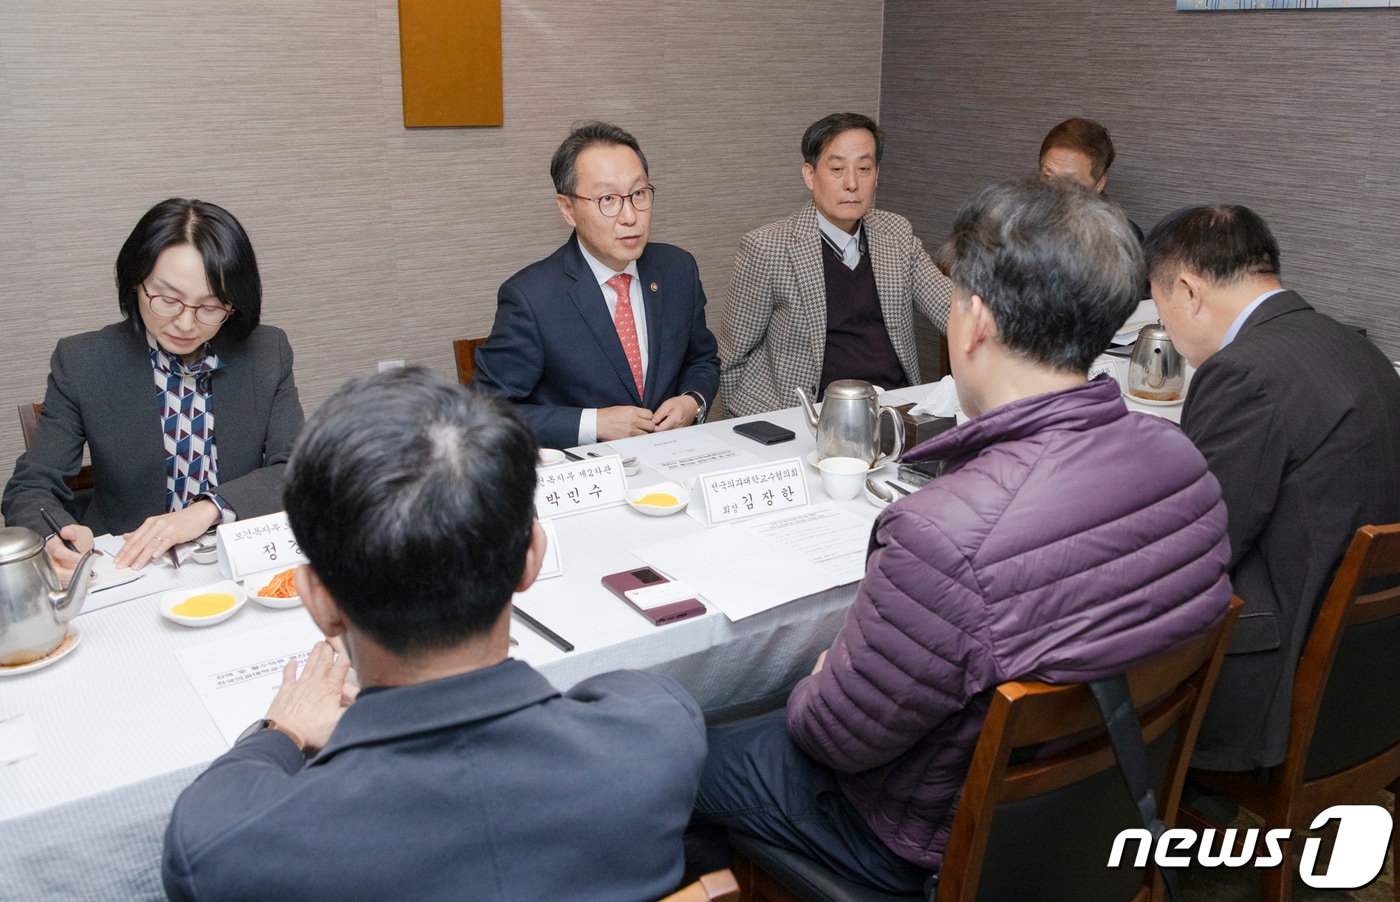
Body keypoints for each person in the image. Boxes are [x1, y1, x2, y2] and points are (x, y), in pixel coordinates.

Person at [688, 179, 1233, 893]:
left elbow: (837, 737)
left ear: (973, 319)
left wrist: (818, 681)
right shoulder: (1185, 463)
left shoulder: (943, 532)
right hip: (1100, 809)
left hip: (927, 836)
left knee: (676, 762)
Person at [162, 367, 708, 901]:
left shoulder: (228, 847)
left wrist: (281, 731)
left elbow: (212, 816)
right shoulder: (657, 733)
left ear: (318, 601)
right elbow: (629, 696)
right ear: (530, 560)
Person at [1144, 204, 1400, 772]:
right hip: (1370, 681)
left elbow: (1198, 546)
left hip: (1278, 687)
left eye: (1161, 312)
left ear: (1186, 291)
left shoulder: (1242, 372)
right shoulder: (1360, 349)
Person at [2, 198, 303, 579]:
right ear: (136, 282)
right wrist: (53, 538)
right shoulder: (83, 361)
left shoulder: (266, 351)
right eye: (167, 299)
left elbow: (295, 470)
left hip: (240, 562)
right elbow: (30, 487)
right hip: (127, 567)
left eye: (210, 307)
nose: (186, 323)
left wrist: (206, 509)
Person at [473, 121, 720, 450]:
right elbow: (486, 412)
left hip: (669, 462)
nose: (629, 216)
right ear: (567, 208)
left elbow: (702, 359)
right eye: (607, 199)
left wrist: (692, 401)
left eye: (639, 194)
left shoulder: (678, 269)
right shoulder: (532, 298)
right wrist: (593, 423)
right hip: (585, 475)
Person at [718, 112, 953, 419]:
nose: (852, 183)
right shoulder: (767, 248)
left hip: (895, 411)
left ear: (877, 175)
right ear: (810, 174)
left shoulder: (896, 234)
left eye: (864, 168)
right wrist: (769, 425)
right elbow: (732, 359)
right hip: (809, 419)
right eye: (838, 168)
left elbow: (953, 310)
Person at [1038, 117, 1144, 242]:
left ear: (1099, 183)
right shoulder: (1019, 218)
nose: (1055, 190)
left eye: (1070, 182)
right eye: (1048, 177)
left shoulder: (1120, 237)